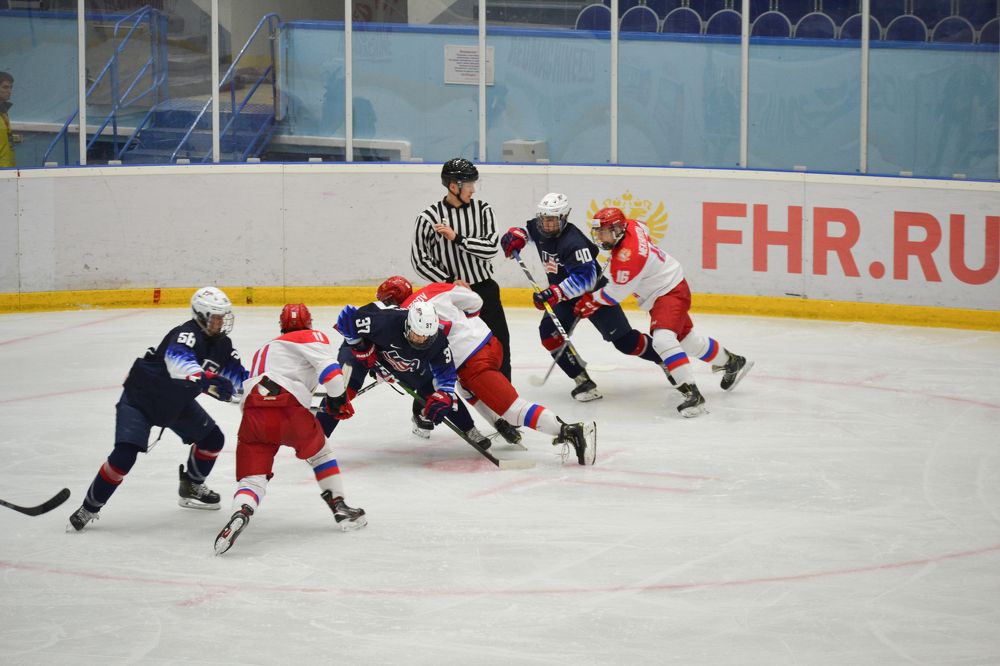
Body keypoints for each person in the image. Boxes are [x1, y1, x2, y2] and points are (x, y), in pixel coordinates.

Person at [67, 287, 249, 532]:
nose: (221, 322)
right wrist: (207, 380)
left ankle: (192, 485)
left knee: (213, 440)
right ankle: (89, 507)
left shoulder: (223, 345)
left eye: (223, 317)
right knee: (124, 457)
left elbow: (240, 379)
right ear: (201, 315)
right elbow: (178, 364)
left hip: (175, 403)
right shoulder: (186, 334)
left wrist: (263, 389)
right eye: (216, 317)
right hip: (140, 399)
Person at [377, 276, 597, 465]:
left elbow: (413, 355)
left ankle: (571, 430)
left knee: (514, 410)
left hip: (472, 362)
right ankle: (499, 423)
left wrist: (386, 370)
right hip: (489, 342)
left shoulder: (403, 317)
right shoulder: (434, 288)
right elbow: (475, 301)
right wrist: (467, 326)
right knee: (464, 388)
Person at [214, 303, 366, 556]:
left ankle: (241, 511)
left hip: (253, 413)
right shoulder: (311, 336)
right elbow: (331, 372)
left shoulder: (264, 349)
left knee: (253, 478)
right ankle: (339, 507)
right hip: (288, 406)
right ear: (309, 322)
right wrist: (338, 399)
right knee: (321, 454)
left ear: (281, 326)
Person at [576, 207, 753, 417]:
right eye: (597, 232)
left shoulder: (627, 259)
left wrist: (592, 300)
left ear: (616, 230)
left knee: (662, 341)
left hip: (668, 292)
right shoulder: (631, 226)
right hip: (665, 288)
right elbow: (644, 226)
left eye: (603, 232)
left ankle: (692, 394)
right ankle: (732, 362)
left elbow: (615, 294)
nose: (599, 237)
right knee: (687, 341)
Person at [499, 192, 666, 402]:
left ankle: (666, 359)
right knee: (549, 334)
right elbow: (528, 231)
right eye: (544, 219)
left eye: (552, 220)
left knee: (626, 342)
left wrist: (554, 293)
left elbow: (586, 279)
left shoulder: (573, 242)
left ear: (564, 217)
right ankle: (582, 380)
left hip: (595, 296)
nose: (547, 224)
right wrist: (517, 235)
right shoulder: (540, 227)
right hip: (564, 298)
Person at [335, 298, 497, 453]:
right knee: (342, 392)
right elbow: (346, 317)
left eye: (426, 336)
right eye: (417, 334)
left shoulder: (437, 340)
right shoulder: (385, 320)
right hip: (369, 351)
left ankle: (470, 429)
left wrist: (445, 394)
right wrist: (360, 348)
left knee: (439, 395)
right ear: (408, 325)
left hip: (403, 362)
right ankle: (322, 436)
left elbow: (446, 375)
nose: (421, 340)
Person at [410, 157, 511, 382]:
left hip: (484, 290)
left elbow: (491, 248)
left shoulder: (483, 209)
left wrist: (458, 238)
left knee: (500, 343)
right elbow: (419, 260)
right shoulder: (428, 218)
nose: (473, 189)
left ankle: (505, 393)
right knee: (449, 349)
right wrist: (449, 281)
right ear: (453, 186)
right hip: (449, 297)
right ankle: (448, 394)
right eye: (469, 184)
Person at [0, 71, 17, 168]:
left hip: (8, 169)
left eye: (11, 87)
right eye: (5, 87)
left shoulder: (4, 112)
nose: (9, 91)